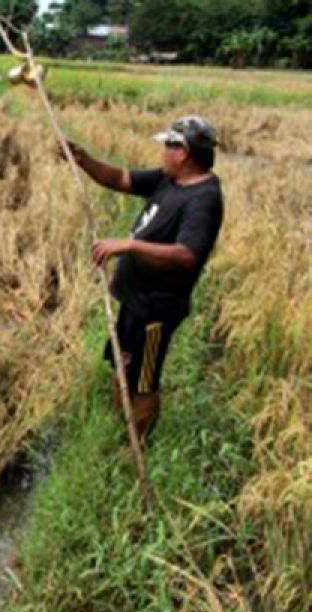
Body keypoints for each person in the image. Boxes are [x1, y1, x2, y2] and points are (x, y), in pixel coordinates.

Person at [62, 116, 224, 441]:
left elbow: (187, 255)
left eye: (168, 145)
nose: (162, 151)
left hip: (156, 310)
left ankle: (134, 449)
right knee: (123, 364)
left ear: (183, 152)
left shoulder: (203, 199)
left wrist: (130, 244)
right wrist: (83, 160)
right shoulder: (169, 180)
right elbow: (121, 178)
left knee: (144, 382)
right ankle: (116, 430)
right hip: (135, 299)